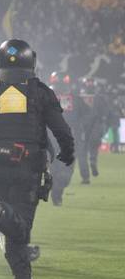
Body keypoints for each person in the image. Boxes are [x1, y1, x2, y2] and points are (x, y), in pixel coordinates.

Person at [0, 40, 74, 279]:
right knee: (20, 227)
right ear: (30, 61)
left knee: (13, 226)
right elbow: (60, 128)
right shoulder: (40, 91)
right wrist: (67, 152)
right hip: (29, 166)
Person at [46, 72, 82, 206]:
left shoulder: (75, 99)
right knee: (58, 170)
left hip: (68, 139)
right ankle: (56, 192)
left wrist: (79, 127)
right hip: (52, 139)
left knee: (64, 173)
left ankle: (57, 191)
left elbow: (87, 115)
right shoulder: (44, 97)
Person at [76, 76, 111, 184]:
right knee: (94, 147)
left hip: (82, 127)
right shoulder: (100, 97)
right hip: (96, 125)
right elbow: (106, 112)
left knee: (82, 152)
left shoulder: (79, 97)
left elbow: (75, 112)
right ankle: (93, 160)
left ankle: (85, 177)